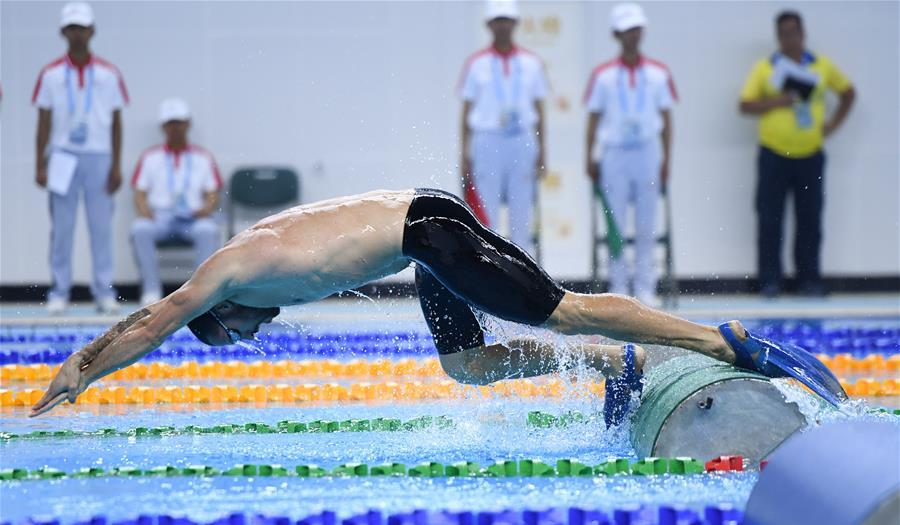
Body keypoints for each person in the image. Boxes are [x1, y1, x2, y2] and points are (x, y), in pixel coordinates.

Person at [31, 188, 847, 420]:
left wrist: (80, 369)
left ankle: (720, 341)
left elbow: (150, 321)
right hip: (424, 235)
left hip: (431, 233)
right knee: (463, 365)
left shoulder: (225, 279)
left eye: (229, 337)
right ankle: (619, 363)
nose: (246, 337)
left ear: (221, 315)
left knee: (561, 310)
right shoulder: (259, 265)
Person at [739, 10, 855, 298]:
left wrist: (832, 125)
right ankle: (770, 281)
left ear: (802, 34)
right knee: (770, 219)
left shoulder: (821, 65)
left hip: (810, 154)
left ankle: (809, 280)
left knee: (810, 219)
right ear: (778, 37)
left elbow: (848, 93)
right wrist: (779, 101)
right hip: (773, 155)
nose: (789, 38)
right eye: (783, 33)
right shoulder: (766, 68)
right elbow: (745, 105)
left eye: (794, 32)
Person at [33, 2, 128, 315]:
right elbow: (43, 120)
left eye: (82, 27)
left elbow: (115, 121)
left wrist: (116, 164)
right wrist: (40, 162)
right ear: (63, 32)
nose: (77, 33)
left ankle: (103, 292)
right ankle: (59, 291)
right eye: (71, 27)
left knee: (100, 227)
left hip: (99, 156)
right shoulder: (50, 74)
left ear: (92, 31)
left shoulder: (109, 73)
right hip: (62, 156)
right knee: (61, 227)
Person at [584, 3, 675, 306]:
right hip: (615, 154)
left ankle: (646, 286)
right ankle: (619, 285)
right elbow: (593, 119)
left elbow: (666, 118)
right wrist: (589, 156)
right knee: (616, 222)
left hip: (647, 151)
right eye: (626, 30)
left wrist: (666, 159)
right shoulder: (603, 75)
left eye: (636, 29)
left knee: (647, 222)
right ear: (616, 34)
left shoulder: (658, 73)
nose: (632, 35)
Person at [459, 0, 547, 254]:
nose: (503, 26)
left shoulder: (531, 62)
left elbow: (540, 110)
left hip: (521, 140)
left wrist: (543, 149)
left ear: (515, 23)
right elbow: (466, 111)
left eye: (507, 20)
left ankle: (524, 279)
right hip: (487, 141)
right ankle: (487, 277)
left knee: (522, 213)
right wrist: (464, 152)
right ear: (489, 24)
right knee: (486, 215)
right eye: (498, 20)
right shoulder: (476, 63)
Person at [130, 98, 223, 305]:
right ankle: (151, 290)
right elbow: (139, 193)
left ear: (188, 124)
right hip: (160, 217)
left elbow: (213, 193)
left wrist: (206, 208)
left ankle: (202, 291)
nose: (175, 128)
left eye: (179, 122)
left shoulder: (203, 157)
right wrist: (145, 211)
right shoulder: (150, 157)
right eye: (171, 123)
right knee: (140, 229)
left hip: (192, 217)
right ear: (163, 126)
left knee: (207, 230)